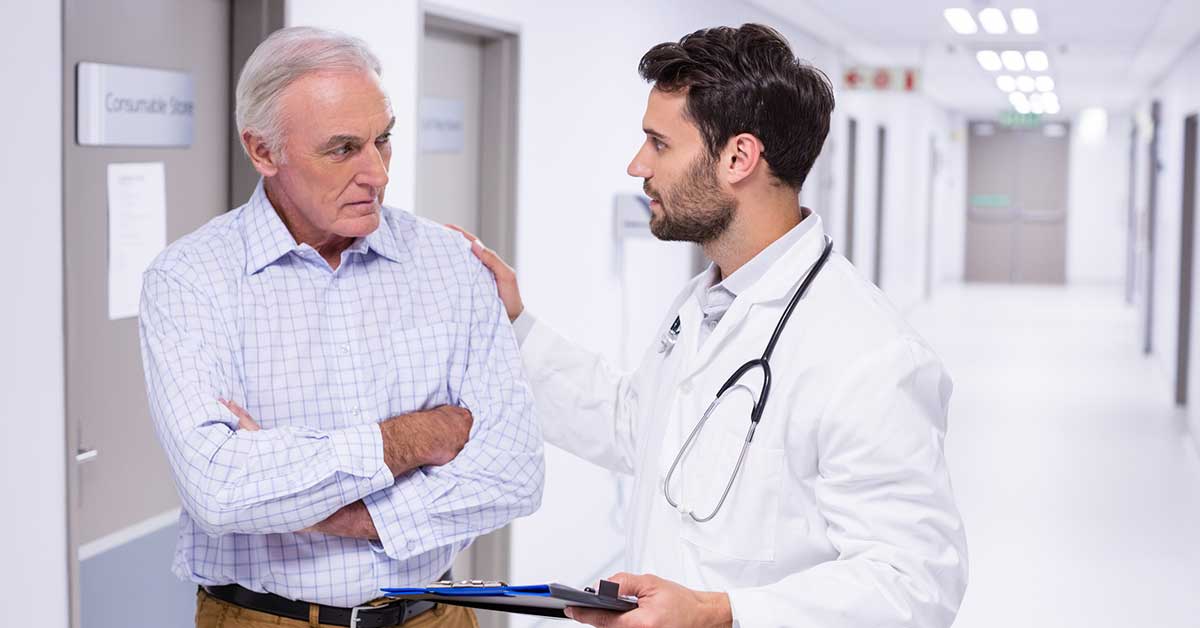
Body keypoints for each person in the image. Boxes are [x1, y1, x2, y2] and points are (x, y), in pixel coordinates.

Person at [453, 23, 967, 628]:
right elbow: (637, 425)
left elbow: (914, 585)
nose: (637, 164)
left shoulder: (870, 353)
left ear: (737, 157)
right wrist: (515, 325)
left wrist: (720, 612)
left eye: (659, 144)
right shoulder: (705, 300)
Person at [138, 26, 544, 628]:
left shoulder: (452, 263)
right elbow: (219, 490)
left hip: (435, 615)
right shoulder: (190, 278)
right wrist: (412, 437)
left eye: (384, 140)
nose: (376, 173)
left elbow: (515, 475)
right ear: (263, 151)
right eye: (343, 149)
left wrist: (314, 507)